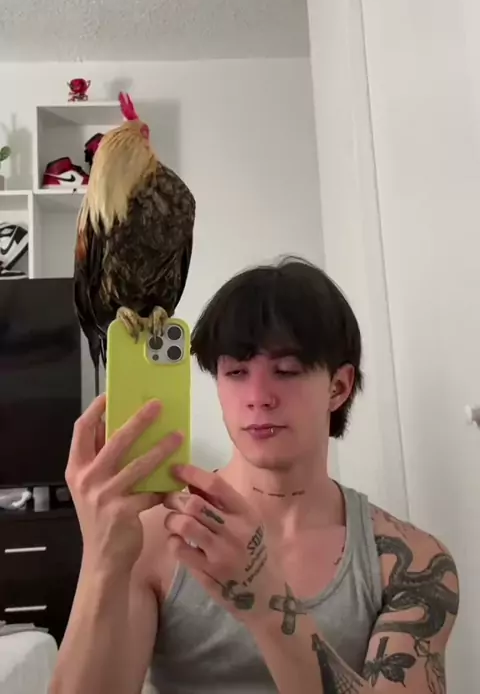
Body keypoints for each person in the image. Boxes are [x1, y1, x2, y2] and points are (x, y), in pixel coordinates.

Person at [49, 257, 459, 694]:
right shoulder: (152, 539)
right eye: (236, 372)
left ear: (338, 387)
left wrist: (266, 603)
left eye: (286, 371)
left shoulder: (411, 561)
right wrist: (102, 558)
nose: (258, 397)